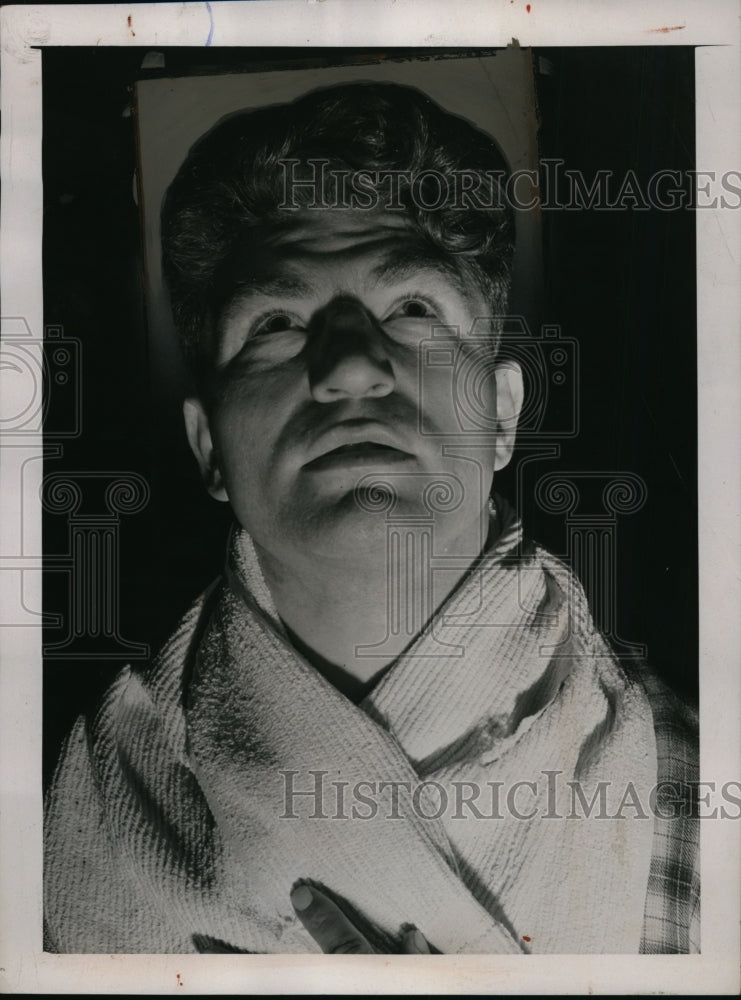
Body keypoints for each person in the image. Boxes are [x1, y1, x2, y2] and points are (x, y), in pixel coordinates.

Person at [43, 81, 698, 955]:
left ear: (502, 415)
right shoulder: (63, 835)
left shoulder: (691, 786)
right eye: (277, 323)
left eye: (413, 310)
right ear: (207, 446)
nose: (350, 368)